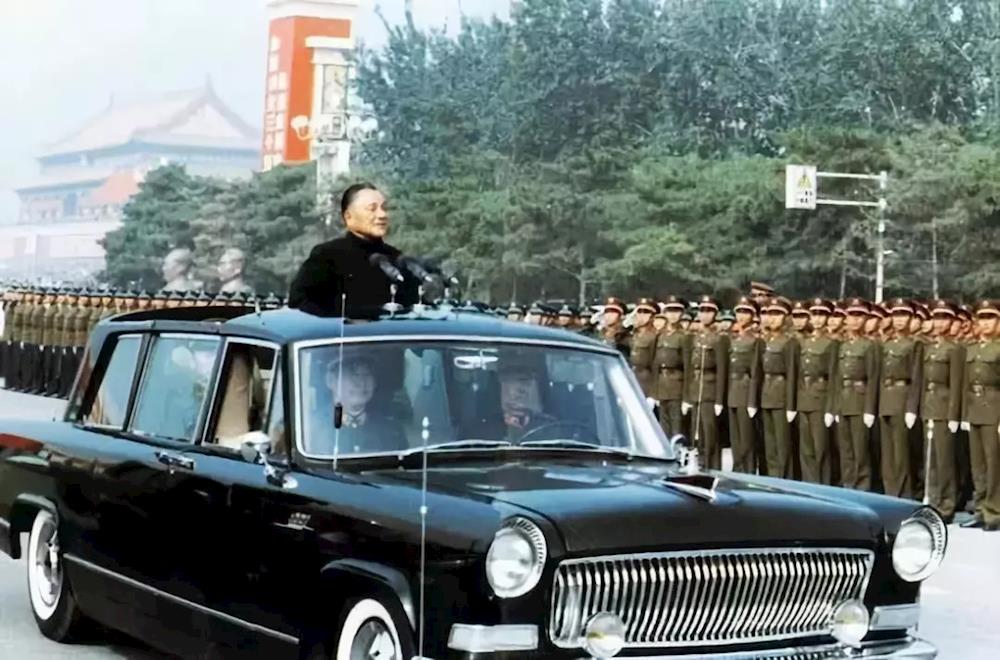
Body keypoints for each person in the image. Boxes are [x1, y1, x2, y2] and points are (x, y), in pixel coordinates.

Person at [288, 183, 418, 317]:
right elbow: (299, 301)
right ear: (348, 216)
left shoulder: (396, 258)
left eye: (384, 208)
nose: (382, 214)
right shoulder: (327, 256)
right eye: (372, 209)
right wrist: (361, 314)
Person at [310, 355, 408, 455]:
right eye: (353, 374)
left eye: (367, 374)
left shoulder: (392, 430)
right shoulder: (311, 427)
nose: (361, 383)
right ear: (330, 380)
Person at [921, 300, 963, 523]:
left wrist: (953, 414)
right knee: (932, 459)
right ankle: (933, 499)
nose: (939, 323)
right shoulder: (929, 348)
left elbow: (956, 384)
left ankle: (946, 504)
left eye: (944, 319)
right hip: (930, 406)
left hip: (944, 408)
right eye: (936, 318)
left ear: (952, 322)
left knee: (944, 459)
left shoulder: (954, 349)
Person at [727, 296, 762, 474]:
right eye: (739, 312)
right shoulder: (733, 337)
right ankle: (737, 469)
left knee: (747, 440)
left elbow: (755, 371)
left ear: (753, 315)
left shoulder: (755, 339)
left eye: (746, 312)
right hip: (733, 391)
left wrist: (752, 400)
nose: (741, 316)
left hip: (745, 390)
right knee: (736, 439)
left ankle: (748, 472)